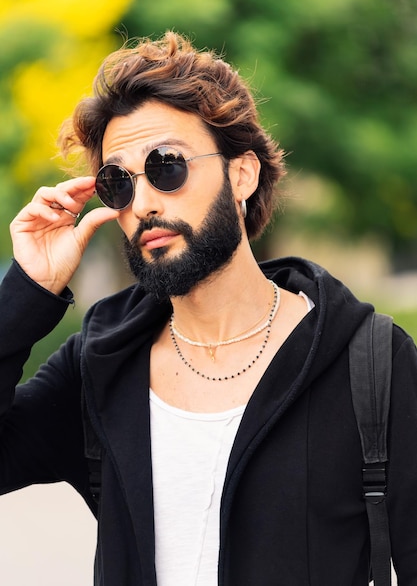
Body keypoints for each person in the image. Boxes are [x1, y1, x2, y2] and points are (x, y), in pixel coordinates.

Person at [0, 30, 416, 586]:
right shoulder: (101, 365)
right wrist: (27, 293)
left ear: (240, 174)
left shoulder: (372, 364)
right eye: (118, 183)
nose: (143, 202)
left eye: (167, 165)